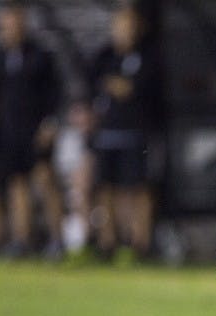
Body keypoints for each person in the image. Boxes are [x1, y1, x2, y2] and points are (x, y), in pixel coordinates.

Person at [0, 2, 63, 258]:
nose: (9, 29)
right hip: (9, 133)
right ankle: (21, 240)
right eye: (6, 25)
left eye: (14, 24)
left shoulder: (40, 56)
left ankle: (58, 240)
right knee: (17, 185)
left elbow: (55, 93)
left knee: (45, 180)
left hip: (36, 131)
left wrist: (50, 123)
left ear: (23, 24)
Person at [87, 5, 163, 263]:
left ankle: (139, 245)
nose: (124, 31)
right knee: (105, 189)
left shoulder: (149, 55)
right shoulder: (104, 56)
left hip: (136, 134)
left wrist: (117, 86)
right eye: (120, 26)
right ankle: (108, 243)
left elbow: (135, 89)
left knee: (137, 189)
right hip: (106, 134)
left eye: (129, 26)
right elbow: (91, 87)